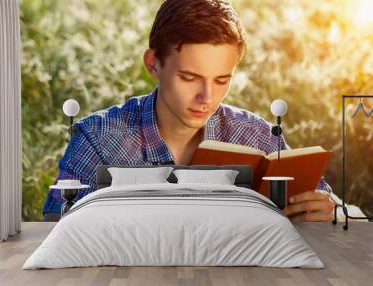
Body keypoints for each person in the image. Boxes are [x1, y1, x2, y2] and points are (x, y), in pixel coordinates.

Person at [43, 0, 334, 222]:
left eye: (222, 80)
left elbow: (331, 203)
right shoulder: (98, 138)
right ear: (153, 64)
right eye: (189, 78)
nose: (207, 97)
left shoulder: (256, 135)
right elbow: (55, 224)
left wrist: (329, 211)